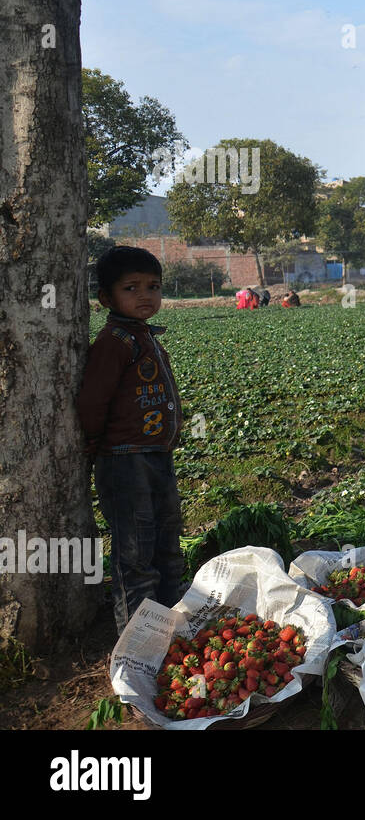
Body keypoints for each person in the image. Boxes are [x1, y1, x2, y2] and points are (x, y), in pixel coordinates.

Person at [77, 247, 186, 633]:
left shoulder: (144, 336)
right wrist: (92, 443)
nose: (145, 295)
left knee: (167, 541)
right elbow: (93, 400)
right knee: (135, 551)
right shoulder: (115, 342)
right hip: (125, 460)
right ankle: (140, 639)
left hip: (156, 454)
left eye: (153, 286)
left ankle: (175, 623)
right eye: (131, 287)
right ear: (106, 298)